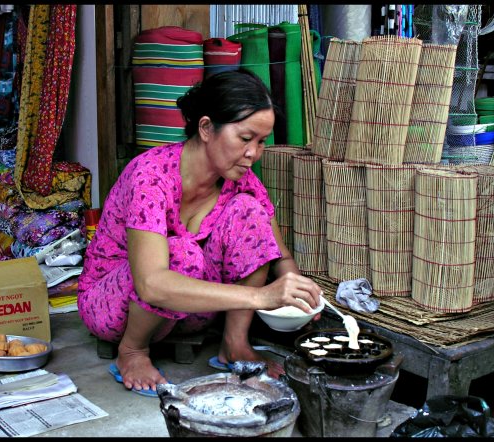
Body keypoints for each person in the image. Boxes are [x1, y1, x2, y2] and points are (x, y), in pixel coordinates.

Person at [77, 69, 322, 394]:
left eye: (261, 142)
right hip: (113, 307)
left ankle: (234, 343)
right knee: (180, 253)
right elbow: (151, 284)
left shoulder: (242, 182)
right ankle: (132, 351)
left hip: (190, 311)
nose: (254, 153)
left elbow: (280, 255)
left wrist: (303, 295)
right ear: (206, 128)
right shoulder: (150, 177)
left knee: (250, 211)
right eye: (245, 139)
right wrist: (261, 296)